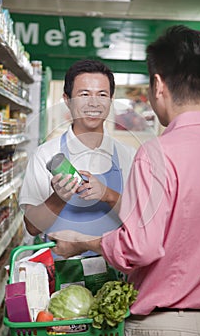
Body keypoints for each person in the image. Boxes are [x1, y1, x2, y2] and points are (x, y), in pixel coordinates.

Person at [48, 25, 200, 336]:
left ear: (158, 85)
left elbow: (140, 247)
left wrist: (81, 243)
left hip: (164, 328)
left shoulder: (158, 153)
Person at [19, 59, 136, 256]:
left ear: (111, 100)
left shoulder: (129, 155)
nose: (94, 103)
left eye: (102, 95)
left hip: (115, 276)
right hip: (60, 276)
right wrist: (59, 198)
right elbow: (33, 227)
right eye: (84, 94)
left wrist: (108, 195)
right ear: (67, 100)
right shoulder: (45, 155)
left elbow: (141, 222)